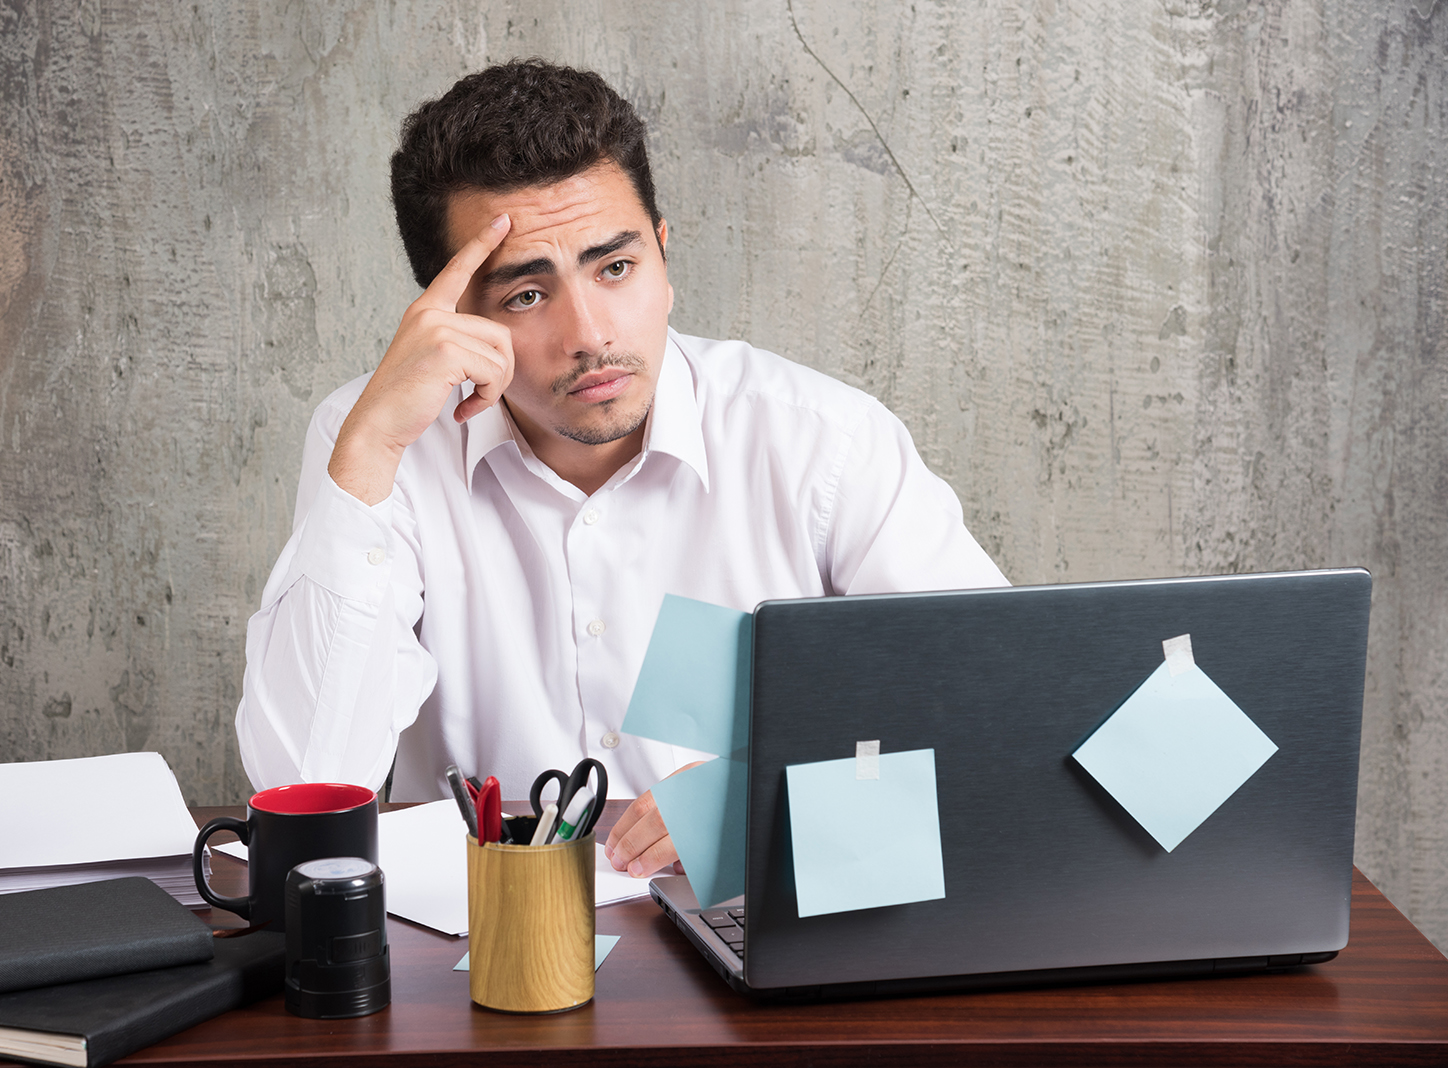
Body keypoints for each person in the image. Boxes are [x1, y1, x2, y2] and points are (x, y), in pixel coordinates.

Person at [235, 60, 1007, 880]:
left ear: (664, 257)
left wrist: (783, 805)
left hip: (758, 934)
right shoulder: (378, 440)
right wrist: (368, 457)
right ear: (450, 316)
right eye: (526, 295)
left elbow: (995, 719)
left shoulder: (824, 444)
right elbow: (301, 784)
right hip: (484, 951)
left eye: (615, 268)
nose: (591, 332)